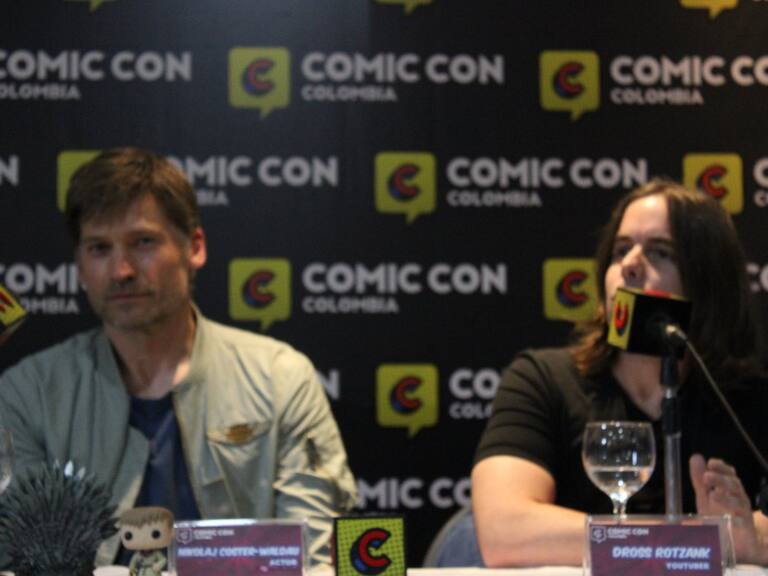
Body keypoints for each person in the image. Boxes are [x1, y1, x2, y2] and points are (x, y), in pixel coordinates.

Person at [0, 147, 357, 568]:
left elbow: (313, 558)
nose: (121, 270)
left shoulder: (281, 378)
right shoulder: (30, 393)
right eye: (99, 248)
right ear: (79, 267)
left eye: (143, 242)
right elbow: (20, 559)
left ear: (195, 247)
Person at [472, 179, 768, 566]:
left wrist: (751, 539)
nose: (629, 265)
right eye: (621, 250)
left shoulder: (751, 396)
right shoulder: (542, 379)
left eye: (660, 252)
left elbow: (753, 536)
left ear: (708, 279)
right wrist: (699, 539)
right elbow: (504, 531)